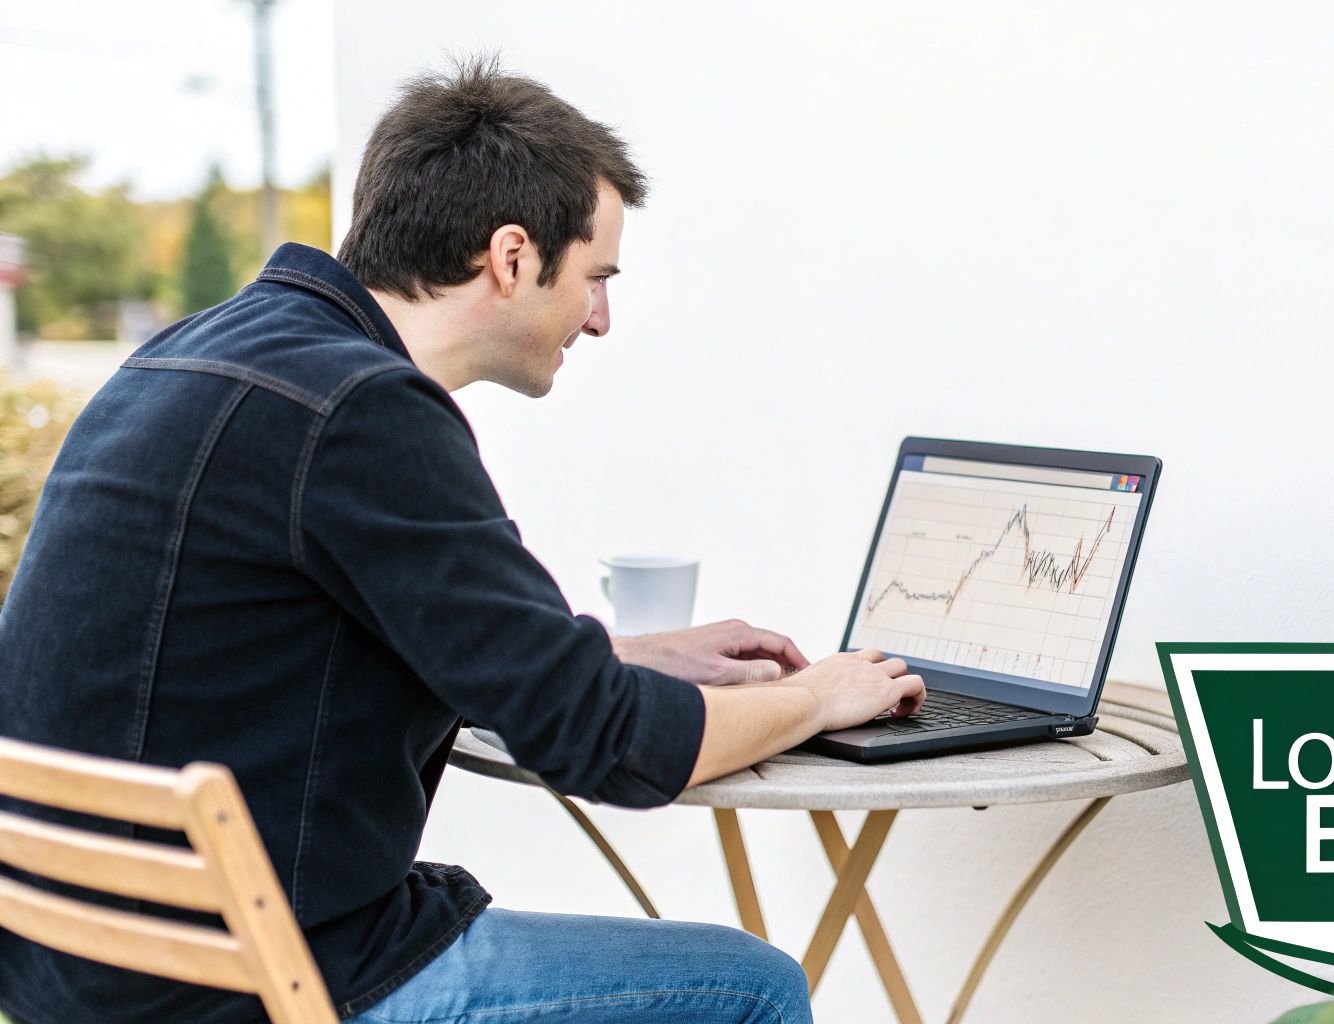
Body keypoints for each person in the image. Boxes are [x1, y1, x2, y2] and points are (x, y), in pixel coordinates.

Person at [0, 56, 924, 1024]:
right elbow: (600, 740)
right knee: (750, 988)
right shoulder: (361, 410)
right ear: (512, 256)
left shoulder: (198, 355)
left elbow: (320, 633)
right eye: (596, 277)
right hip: (258, 985)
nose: (601, 319)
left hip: (76, 967)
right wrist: (818, 694)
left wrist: (618, 651)